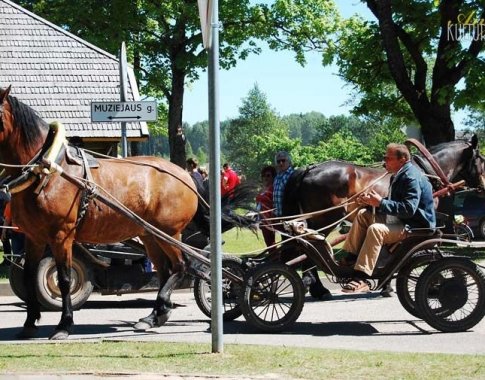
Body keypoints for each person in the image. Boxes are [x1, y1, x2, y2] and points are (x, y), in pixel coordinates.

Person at [340, 143, 436, 293]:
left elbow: (408, 209)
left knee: (376, 229)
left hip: (415, 226)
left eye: (388, 158)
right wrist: (372, 202)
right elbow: (395, 202)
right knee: (362, 215)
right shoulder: (399, 175)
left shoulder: (411, 177)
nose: (384, 161)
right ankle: (352, 257)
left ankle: (361, 277)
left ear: (402, 159)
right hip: (401, 221)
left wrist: (381, 202)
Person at [256, 165, 277, 247]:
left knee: (271, 243)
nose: (265, 178)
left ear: (273, 176)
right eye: (263, 176)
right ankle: (273, 257)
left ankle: (275, 258)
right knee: (268, 243)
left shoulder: (274, 188)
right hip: (262, 219)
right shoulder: (262, 189)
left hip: (271, 219)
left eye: (268, 175)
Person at [272, 151, 294, 217]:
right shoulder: (276, 177)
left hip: (290, 216)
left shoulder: (292, 175)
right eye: (278, 161)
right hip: (278, 216)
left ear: (289, 162)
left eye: (283, 160)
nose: (281, 163)